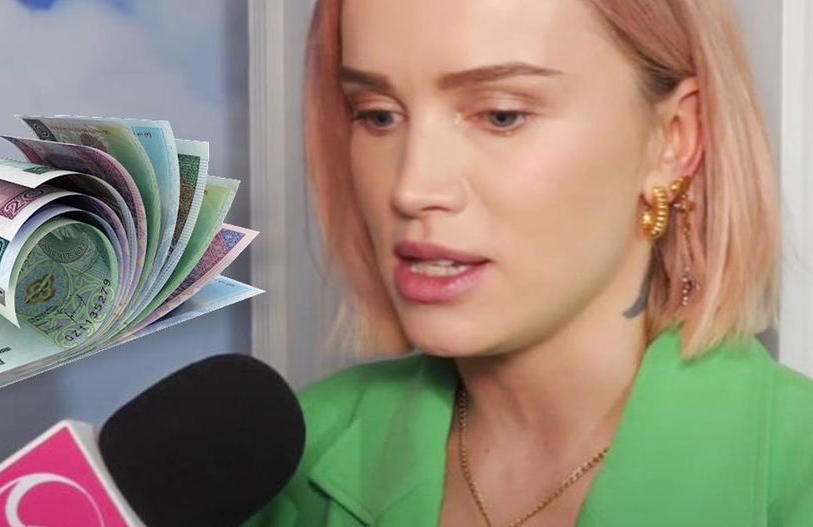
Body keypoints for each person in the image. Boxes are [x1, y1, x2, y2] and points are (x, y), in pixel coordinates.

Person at [243, 0, 813, 525]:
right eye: (377, 116)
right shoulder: (282, 464)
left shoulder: (792, 475)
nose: (412, 188)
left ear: (674, 139)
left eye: (501, 115)